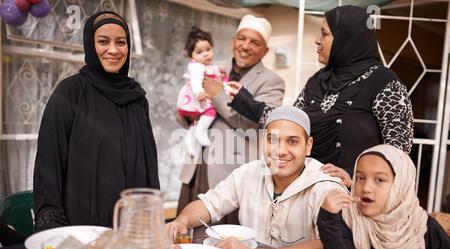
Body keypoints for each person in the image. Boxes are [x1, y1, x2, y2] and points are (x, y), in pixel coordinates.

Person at [227, 5, 413, 188]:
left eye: (324, 34)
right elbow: (291, 122)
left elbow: (399, 150)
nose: (317, 40)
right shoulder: (317, 81)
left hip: (355, 198)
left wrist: (354, 175)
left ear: (346, 38)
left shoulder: (382, 81)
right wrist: (242, 99)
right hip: (309, 191)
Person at [168, 106, 347, 249]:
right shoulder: (249, 172)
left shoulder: (327, 187)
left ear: (308, 146)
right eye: (272, 140)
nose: (280, 150)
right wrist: (182, 221)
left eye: (292, 141)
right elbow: (208, 204)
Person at [33, 11, 160, 231]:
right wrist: (54, 228)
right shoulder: (70, 93)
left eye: (121, 42)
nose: (113, 50)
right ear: (90, 45)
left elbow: (149, 168)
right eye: (103, 41)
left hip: (131, 231)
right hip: (80, 230)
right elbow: (49, 164)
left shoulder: (137, 99)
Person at [176, 15, 285, 223]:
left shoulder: (272, 82)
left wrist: (218, 96)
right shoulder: (212, 66)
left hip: (230, 175)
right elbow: (187, 110)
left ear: (265, 50)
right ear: (233, 41)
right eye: (241, 39)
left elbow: (257, 125)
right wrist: (186, 111)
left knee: (220, 242)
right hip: (195, 167)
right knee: (186, 234)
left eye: (255, 42)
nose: (245, 46)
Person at [318, 144, 450, 249]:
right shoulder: (348, 218)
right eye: (360, 178)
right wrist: (327, 220)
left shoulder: (426, 228)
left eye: (379, 179)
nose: (366, 187)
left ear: (401, 184)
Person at [177, 26, 228, 156]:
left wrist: (222, 75)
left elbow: (219, 80)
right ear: (191, 56)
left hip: (201, 98)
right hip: (198, 97)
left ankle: (190, 138)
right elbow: (195, 81)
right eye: (199, 52)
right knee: (211, 111)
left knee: (197, 120)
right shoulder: (197, 67)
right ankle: (200, 131)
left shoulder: (209, 66)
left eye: (208, 49)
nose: (205, 54)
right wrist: (199, 91)